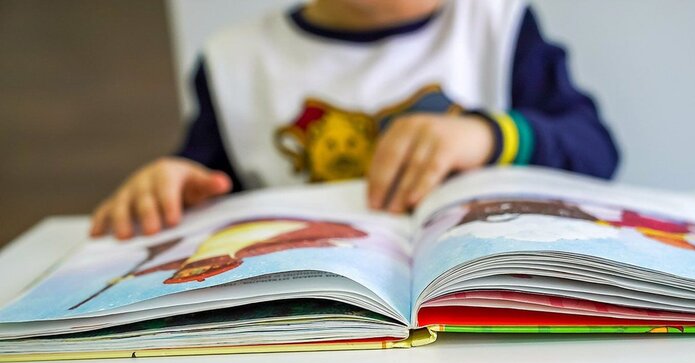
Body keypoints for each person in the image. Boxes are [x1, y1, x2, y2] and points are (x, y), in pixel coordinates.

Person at [90, 0, 619, 239]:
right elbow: (207, 179)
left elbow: (595, 148)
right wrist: (174, 180)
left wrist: (489, 135)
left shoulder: (497, 23)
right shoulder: (235, 60)